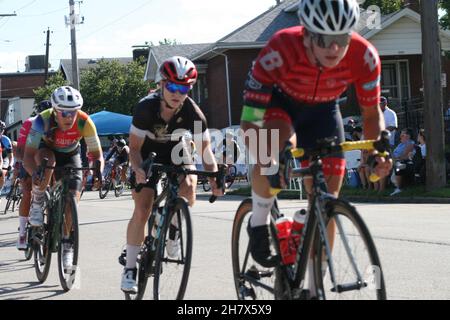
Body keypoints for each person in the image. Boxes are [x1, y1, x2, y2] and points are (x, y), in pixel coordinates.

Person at [240, 0, 392, 296]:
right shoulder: (280, 49)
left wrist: (375, 156)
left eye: (341, 39)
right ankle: (258, 222)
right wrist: (268, 157)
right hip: (279, 105)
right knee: (272, 150)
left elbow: (371, 115)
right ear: (306, 35)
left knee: (327, 199)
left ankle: (312, 285)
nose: (334, 48)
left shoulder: (365, 56)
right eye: (324, 39)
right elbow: (249, 122)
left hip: (324, 111)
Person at [120, 56, 223, 293]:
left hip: (176, 149)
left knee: (188, 184)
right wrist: (138, 170)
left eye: (184, 88)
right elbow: (134, 148)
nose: (177, 93)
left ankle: (173, 233)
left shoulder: (194, 114)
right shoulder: (146, 108)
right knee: (143, 207)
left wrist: (215, 177)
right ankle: (130, 268)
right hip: (147, 152)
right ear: (162, 84)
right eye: (173, 86)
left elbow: (205, 150)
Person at [24, 86, 104, 269]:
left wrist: (98, 169)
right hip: (46, 151)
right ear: (55, 111)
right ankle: (37, 203)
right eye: (64, 113)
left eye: (73, 112)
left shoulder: (84, 122)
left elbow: (97, 154)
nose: (69, 117)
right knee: (46, 161)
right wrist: (35, 175)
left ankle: (68, 246)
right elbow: (28, 156)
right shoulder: (41, 120)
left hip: (71, 155)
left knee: (72, 202)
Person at [15, 100, 52, 250]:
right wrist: (20, 166)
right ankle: (22, 232)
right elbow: (21, 149)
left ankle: (53, 225)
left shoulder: (57, 122)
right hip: (28, 157)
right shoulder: (30, 123)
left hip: (47, 157)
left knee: (53, 191)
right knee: (27, 192)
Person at [390, 128, 415, 196]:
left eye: (403, 134)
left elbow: (405, 156)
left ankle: (398, 188)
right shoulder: (400, 144)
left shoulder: (410, 143)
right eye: (401, 134)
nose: (401, 136)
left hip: (404, 161)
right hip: (395, 160)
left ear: (408, 136)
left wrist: (395, 158)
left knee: (398, 167)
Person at [0, 121, 14, 196]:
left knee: (1, 172)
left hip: (5, 158)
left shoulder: (5, 140)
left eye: (1, 130)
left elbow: (11, 156)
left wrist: (10, 165)